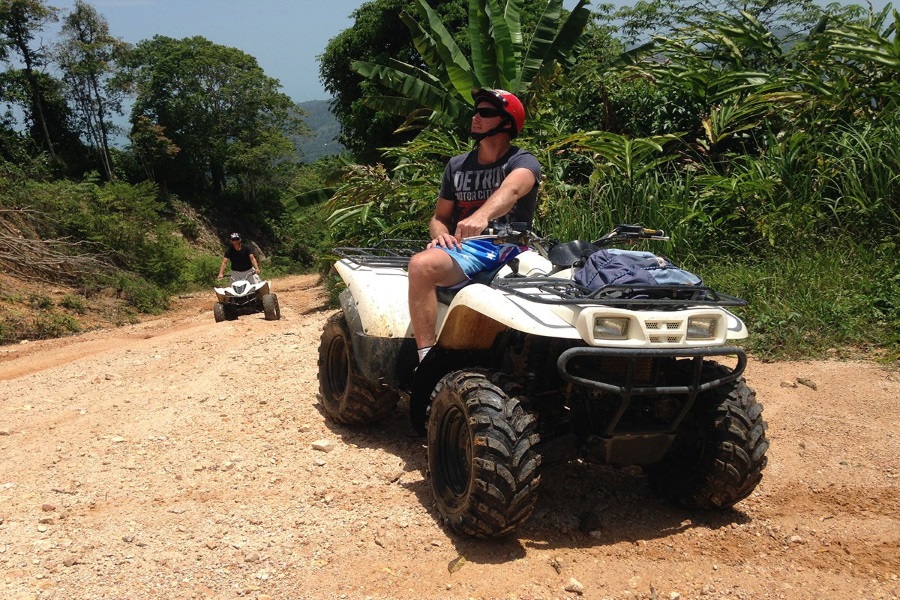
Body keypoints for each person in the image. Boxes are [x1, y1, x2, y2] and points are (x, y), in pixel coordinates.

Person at [407, 89, 541, 363]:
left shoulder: (523, 161)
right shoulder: (457, 166)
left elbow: (514, 189)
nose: (476, 117)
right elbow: (440, 217)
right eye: (476, 111)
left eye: (486, 113)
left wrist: (482, 216)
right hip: (467, 248)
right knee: (421, 265)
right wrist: (441, 236)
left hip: (512, 248)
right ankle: (427, 358)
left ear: (507, 122)